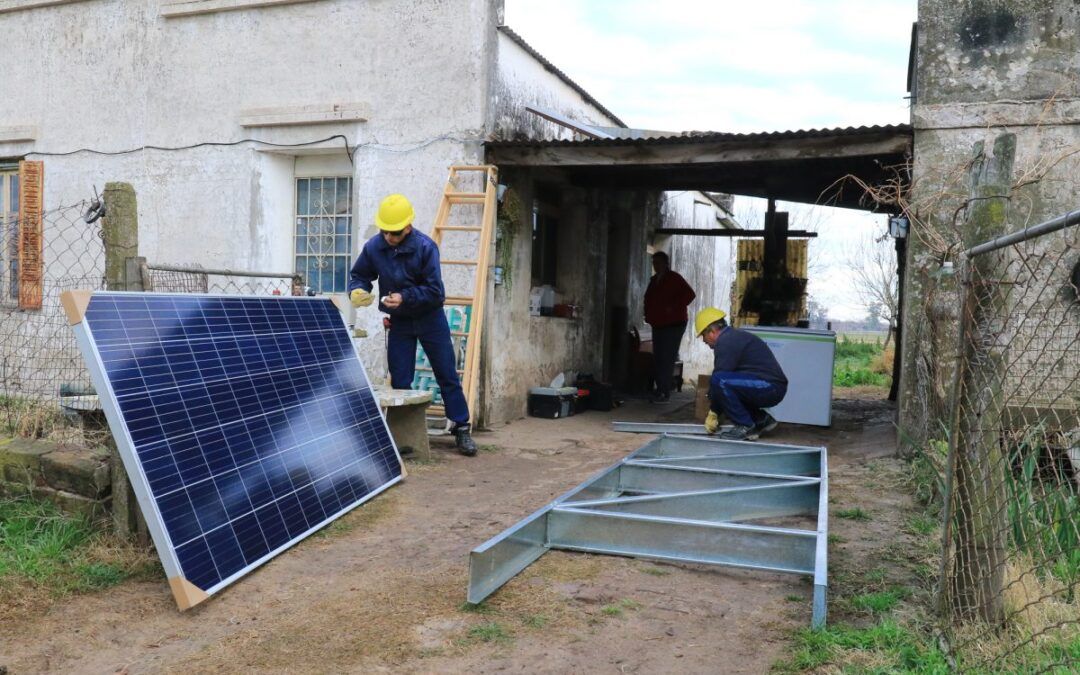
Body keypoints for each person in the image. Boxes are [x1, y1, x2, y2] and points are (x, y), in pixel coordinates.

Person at [349, 194, 477, 456]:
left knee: (446, 374)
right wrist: (358, 291)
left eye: (394, 232)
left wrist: (405, 297)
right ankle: (404, 438)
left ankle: (461, 428)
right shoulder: (374, 247)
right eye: (384, 231)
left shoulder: (426, 247)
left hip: (431, 319)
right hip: (400, 323)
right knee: (401, 380)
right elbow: (360, 275)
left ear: (408, 227)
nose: (388, 237)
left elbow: (435, 292)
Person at [694, 307, 787, 441]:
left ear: (712, 331)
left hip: (770, 386)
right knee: (728, 386)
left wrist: (713, 412)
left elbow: (718, 381)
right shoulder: (732, 337)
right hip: (772, 386)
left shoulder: (726, 342)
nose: (704, 340)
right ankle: (762, 419)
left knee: (719, 381)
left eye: (703, 335)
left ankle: (745, 426)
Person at [643, 251, 696, 403]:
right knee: (659, 355)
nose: (655, 265)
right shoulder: (654, 280)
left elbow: (690, 294)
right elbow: (648, 299)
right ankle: (661, 388)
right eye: (654, 263)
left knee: (667, 356)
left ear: (665, 264)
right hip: (659, 323)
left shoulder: (674, 278)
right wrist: (648, 314)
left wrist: (673, 307)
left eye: (658, 262)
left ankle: (663, 391)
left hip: (674, 323)